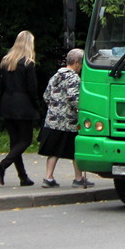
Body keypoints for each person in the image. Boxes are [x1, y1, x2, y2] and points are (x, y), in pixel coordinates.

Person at [38, 48, 93, 189]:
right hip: (69, 121)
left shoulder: (56, 75)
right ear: (76, 62)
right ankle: (79, 178)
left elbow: (46, 96)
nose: (81, 68)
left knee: (53, 151)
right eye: (81, 64)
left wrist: (54, 108)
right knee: (75, 150)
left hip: (52, 120)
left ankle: (48, 177)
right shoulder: (73, 77)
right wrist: (82, 110)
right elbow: (74, 98)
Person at [0, 30, 39, 187]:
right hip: (23, 104)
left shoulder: (6, 61)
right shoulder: (28, 63)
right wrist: (37, 106)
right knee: (25, 140)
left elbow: (1, 86)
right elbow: (32, 88)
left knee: (15, 142)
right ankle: (2, 165)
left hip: (7, 103)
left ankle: (23, 177)